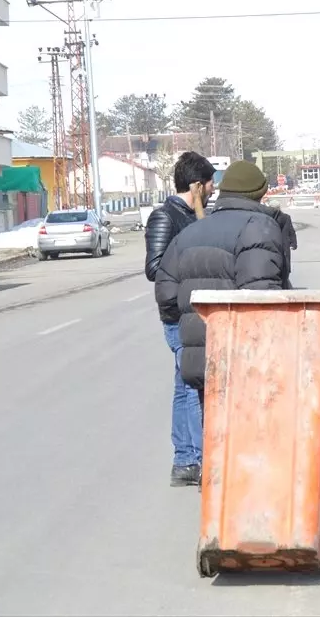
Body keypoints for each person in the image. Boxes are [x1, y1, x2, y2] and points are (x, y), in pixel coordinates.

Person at [155, 160, 289, 400]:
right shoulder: (259, 227)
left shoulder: (190, 231)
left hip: (200, 362)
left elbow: (166, 293)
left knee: (210, 430)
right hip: (244, 359)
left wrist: (189, 324)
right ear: (260, 193)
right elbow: (261, 299)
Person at [143, 151, 215, 487]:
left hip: (192, 313)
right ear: (197, 185)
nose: (214, 189)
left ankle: (185, 460)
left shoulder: (194, 215)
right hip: (176, 314)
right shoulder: (165, 216)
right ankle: (194, 460)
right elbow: (155, 269)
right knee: (190, 386)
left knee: (183, 383)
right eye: (210, 183)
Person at [273, 208, 297, 288]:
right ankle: (284, 285)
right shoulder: (286, 217)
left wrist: (294, 243)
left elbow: (291, 230)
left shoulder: (268, 218)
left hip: (274, 244)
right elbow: (291, 231)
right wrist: (294, 243)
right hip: (284, 245)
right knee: (285, 266)